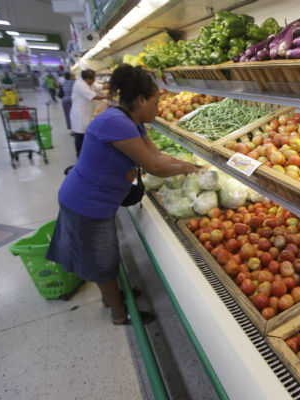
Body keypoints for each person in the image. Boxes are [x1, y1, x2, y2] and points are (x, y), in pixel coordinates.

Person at [46, 64, 198, 325]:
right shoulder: (118, 123)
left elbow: (158, 155)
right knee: (104, 261)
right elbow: (154, 167)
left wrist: (191, 165)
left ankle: (112, 296)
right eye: (156, 102)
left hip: (92, 197)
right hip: (87, 202)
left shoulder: (131, 121)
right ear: (141, 99)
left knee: (104, 255)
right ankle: (118, 313)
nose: (158, 108)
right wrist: (185, 168)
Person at [69, 69, 107, 157]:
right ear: (87, 78)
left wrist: (110, 85)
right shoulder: (80, 85)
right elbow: (94, 96)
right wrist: (107, 96)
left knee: (83, 134)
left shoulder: (88, 83)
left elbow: (99, 86)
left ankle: (84, 153)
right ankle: (79, 155)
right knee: (79, 135)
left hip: (85, 113)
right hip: (80, 114)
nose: (94, 80)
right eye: (93, 78)